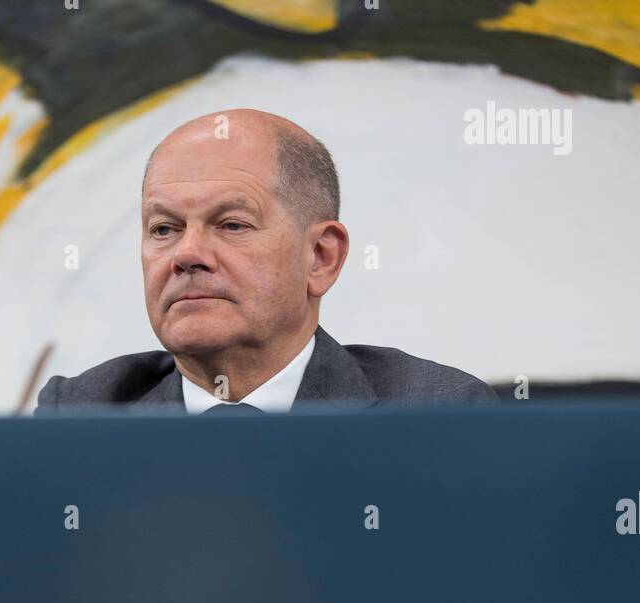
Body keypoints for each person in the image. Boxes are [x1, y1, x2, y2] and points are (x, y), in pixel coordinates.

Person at [36, 108, 496, 413]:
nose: (187, 254)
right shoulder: (80, 411)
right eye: (164, 229)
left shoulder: (440, 414)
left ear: (320, 257)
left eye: (232, 225)